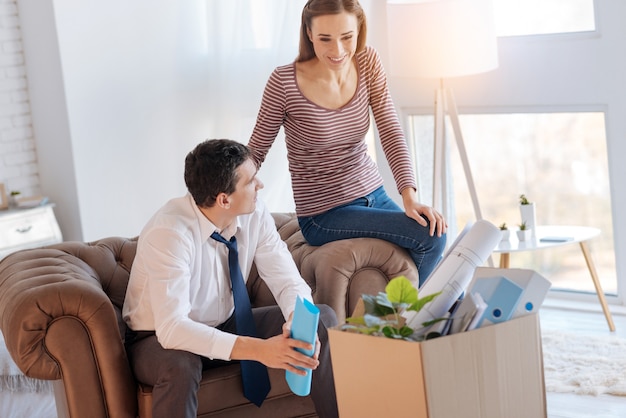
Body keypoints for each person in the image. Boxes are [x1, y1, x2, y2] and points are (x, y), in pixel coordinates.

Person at [122, 139, 339, 418]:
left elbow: (285, 277)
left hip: (225, 323)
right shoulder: (170, 233)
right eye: (251, 181)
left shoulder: (254, 212)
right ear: (224, 199)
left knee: (321, 317)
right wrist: (260, 350)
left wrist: (299, 319)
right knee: (181, 365)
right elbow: (173, 328)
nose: (259, 185)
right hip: (156, 339)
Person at [248, 0, 447, 285]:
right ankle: (410, 322)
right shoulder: (284, 82)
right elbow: (254, 152)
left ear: (359, 30)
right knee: (431, 237)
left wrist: (409, 197)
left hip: (374, 194)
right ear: (308, 33)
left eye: (347, 37)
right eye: (325, 39)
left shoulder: (367, 61)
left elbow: (390, 129)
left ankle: (441, 321)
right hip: (324, 214)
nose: (338, 50)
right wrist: (228, 190)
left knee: (437, 252)